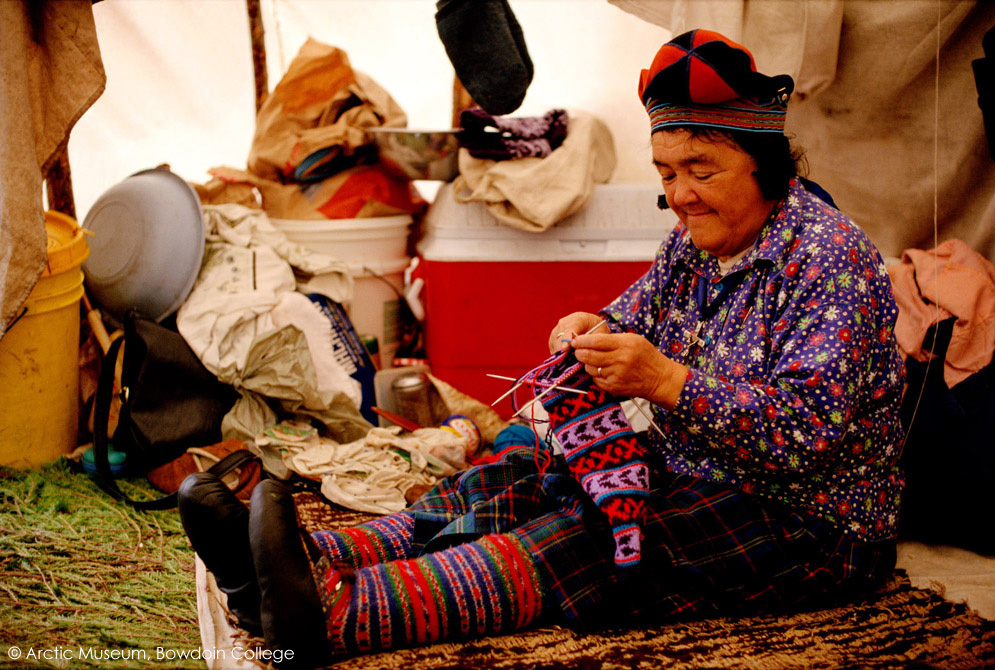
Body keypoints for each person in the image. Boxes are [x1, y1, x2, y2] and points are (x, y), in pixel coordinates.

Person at [178, 29, 905, 669]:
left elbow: (803, 436)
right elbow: (632, 316)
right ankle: (301, 565)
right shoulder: (696, 242)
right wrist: (588, 326)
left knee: (591, 535)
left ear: (764, 164)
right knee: (527, 470)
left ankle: (337, 615)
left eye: (701, 170)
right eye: (666, 172)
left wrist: (663, 380)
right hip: (697, 471)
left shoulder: (830, 263)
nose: (680, 195)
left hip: (807, 522)